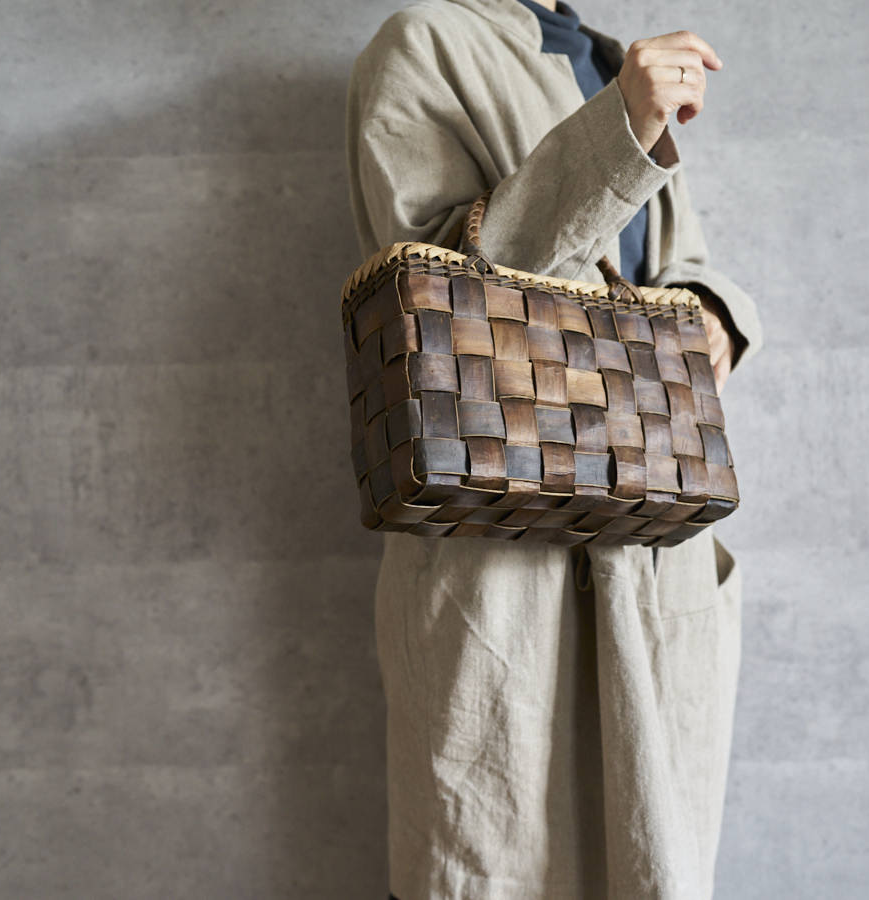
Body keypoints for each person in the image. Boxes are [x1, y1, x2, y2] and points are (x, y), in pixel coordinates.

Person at [345, 0, 764, 896]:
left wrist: (718, 313)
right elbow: (444, 287)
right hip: (501, 563)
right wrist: (623, 126)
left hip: (654, 537)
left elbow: (670, 263)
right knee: (494, 860)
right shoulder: (427, 43)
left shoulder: (607, 56)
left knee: (653, 859)